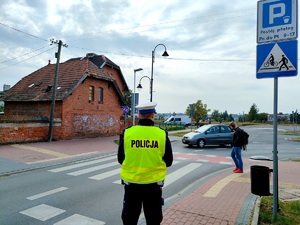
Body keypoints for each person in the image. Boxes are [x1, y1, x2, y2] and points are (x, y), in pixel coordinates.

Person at [118, 102, 173, 225]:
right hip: (153, 186)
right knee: (153, 220)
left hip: (132, 185)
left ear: (138, 115)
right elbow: (169, 161)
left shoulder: (127, 133)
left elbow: (120, 159)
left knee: (129, 220)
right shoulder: (161, 134)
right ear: (153, 115)